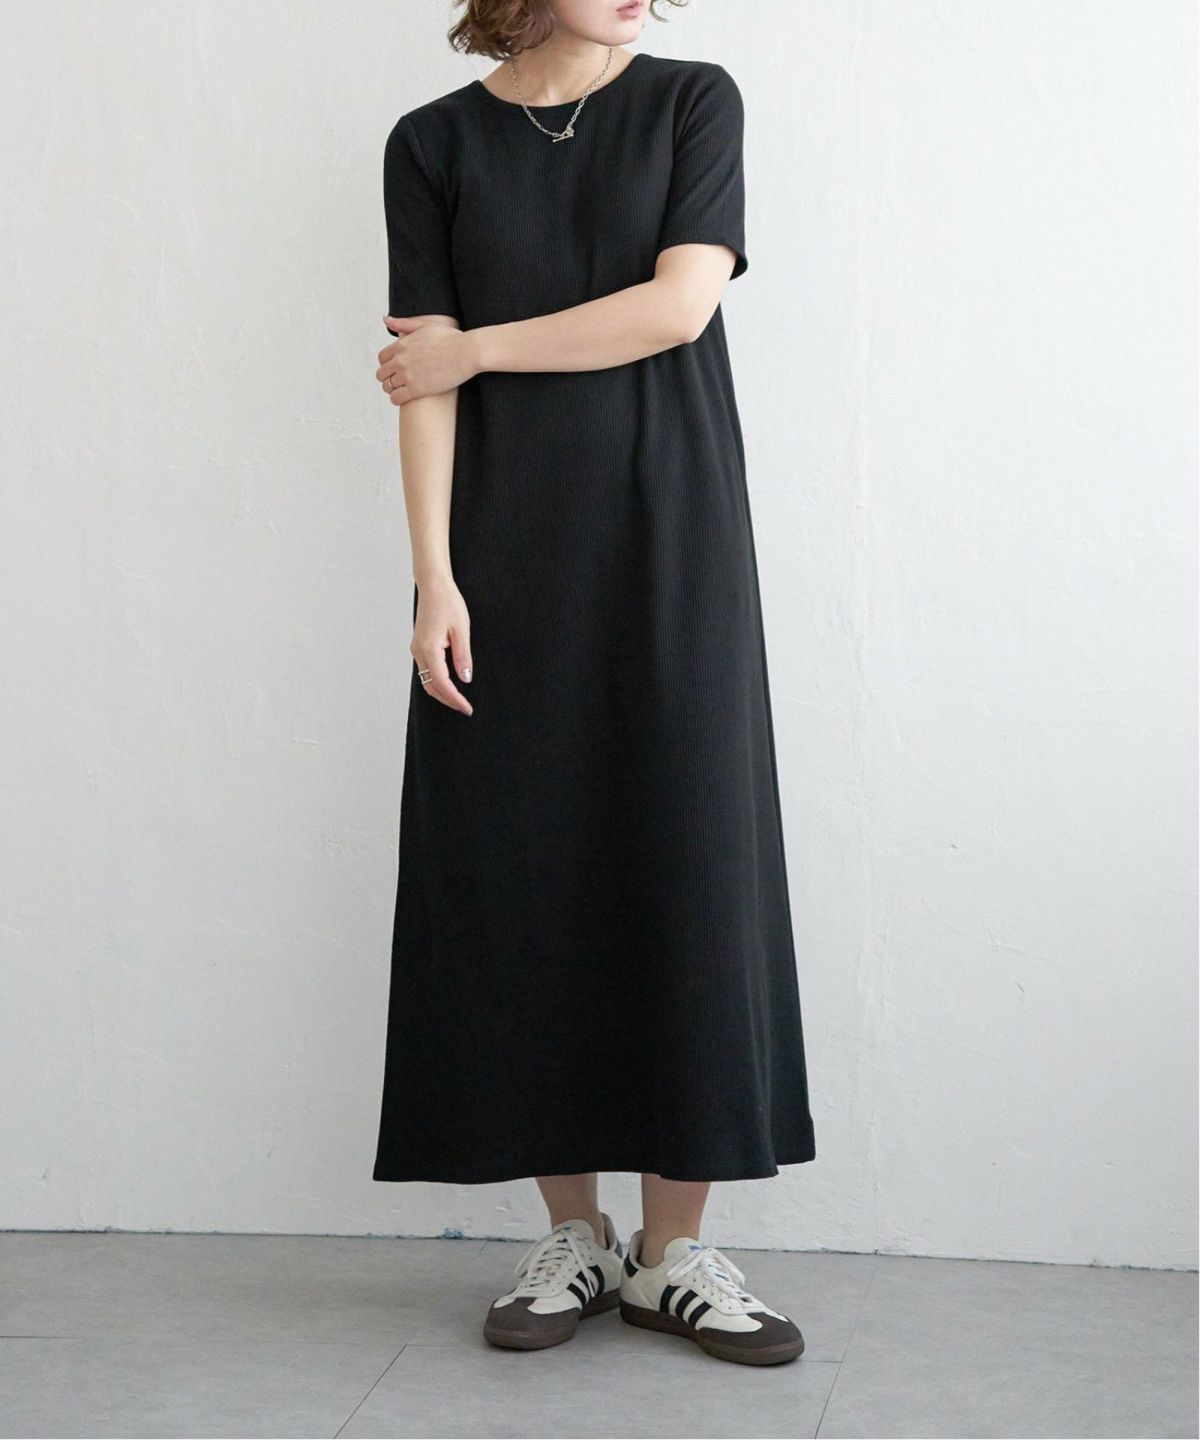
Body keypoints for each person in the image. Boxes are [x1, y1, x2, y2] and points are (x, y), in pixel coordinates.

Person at [371, 0, 816, 1367]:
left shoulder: (691, 100)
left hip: (671, 529)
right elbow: (419, 377)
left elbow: (678, 309)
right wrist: (434, 578)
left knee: (691, 850)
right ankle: (576, 1233)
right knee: (521, 863)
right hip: (505, 548)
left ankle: (674, 1253)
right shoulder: (432, 143)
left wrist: (478, 345)